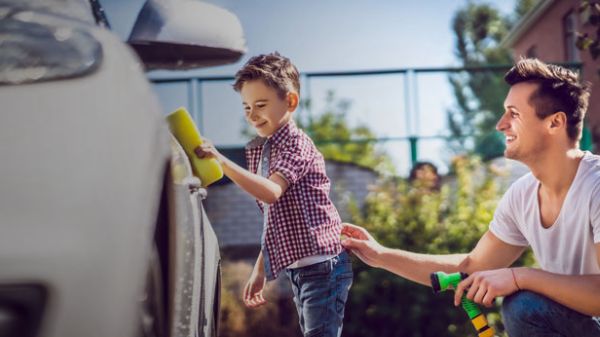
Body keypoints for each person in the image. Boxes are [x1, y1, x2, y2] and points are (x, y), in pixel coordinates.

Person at [341, 58, 600, 336]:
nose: (501, 125)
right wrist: (381, 255)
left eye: (513, 113)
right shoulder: (522, 196)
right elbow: (470, 267)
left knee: (524, 305)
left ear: (555, 123)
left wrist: (520, 276)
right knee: (525, 304)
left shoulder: (596, 184)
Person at [194, 52, 352, 337]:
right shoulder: (266, 149)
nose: (252, 115)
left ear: (290, 101)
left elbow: (271, 193)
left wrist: (221, 161)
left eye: (261, 105)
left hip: (324, 267)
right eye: (246, 107)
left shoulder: (296, 145)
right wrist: (261, 269)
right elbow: (274, 219)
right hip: (301, 270)